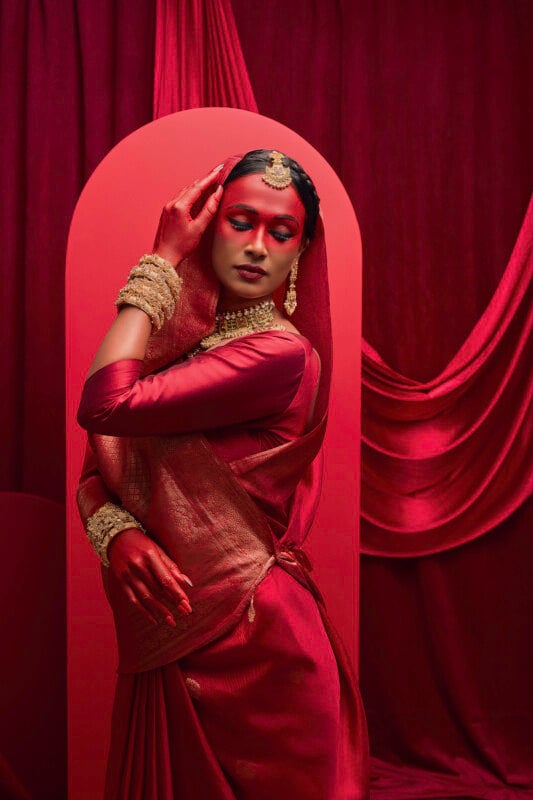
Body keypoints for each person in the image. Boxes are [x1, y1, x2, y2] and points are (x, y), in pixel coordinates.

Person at [76, 149, 370, 799]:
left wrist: (159, 258)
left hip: (259, 648)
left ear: (301, 252)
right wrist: (117, 532)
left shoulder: (278, 355)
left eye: (281, 231)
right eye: (240, 221)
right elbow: (97, 469)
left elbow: (102, 406)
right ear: (210, 226)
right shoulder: (178, 348)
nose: (259, 246)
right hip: (178, 631)